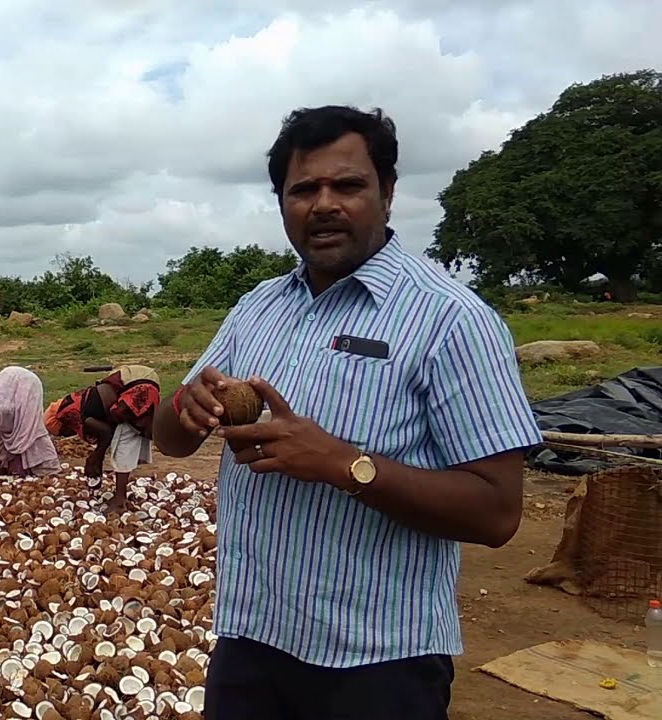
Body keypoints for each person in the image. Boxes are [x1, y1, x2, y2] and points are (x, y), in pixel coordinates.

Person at [152, 105, 542, 719]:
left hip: (380, 662)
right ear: (282, 202)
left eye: (349, 185)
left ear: (387, 194)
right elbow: (169, 438)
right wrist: (187, 402)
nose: (324, 204)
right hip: (252, 637)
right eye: (303, 189)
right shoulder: (258, 307)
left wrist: (344, 464)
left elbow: (497, 512)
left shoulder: (451, 319)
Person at [45, 364, 160, 512]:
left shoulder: (77, 415)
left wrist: (96, 458)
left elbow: (106, 434)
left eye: (62, 433)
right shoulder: (78, 403)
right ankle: (120, 495)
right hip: (139, 378)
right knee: (127, 433)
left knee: (123, 442)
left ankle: (119, 498)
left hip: (137, 386)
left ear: (63, 423)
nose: (67, 435)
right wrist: (96, 457)